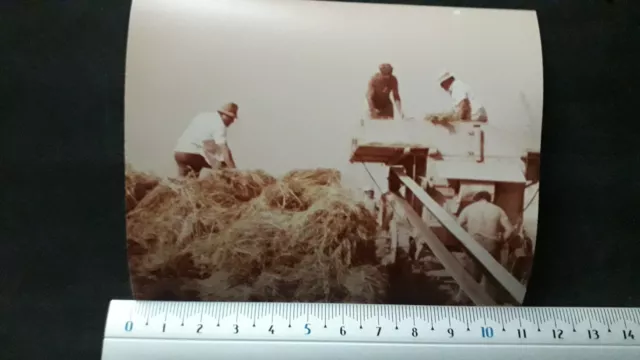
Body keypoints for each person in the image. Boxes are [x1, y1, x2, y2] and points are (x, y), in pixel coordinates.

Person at [455, 191, 514, 300]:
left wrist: (465, 238)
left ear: (476, 199)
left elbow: (457, 226)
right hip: (491, 244)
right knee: (490, 275)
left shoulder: (469, 209)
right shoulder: (497, 209)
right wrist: (501, 240)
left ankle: (464, 299)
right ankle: (489, 301)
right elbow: (510, 230)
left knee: (470, 273)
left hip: (473, 242)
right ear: (489, 199)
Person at [173, 102, 238, 177]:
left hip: (179, 152)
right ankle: (219, 186)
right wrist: (234, 170)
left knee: (185, 182)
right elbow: (224, 149)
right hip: (192, 154)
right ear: (224, 115)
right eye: (231, 118)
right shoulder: (219, 125)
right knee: (222, 167)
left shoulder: (202, 115)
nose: (232, 121)